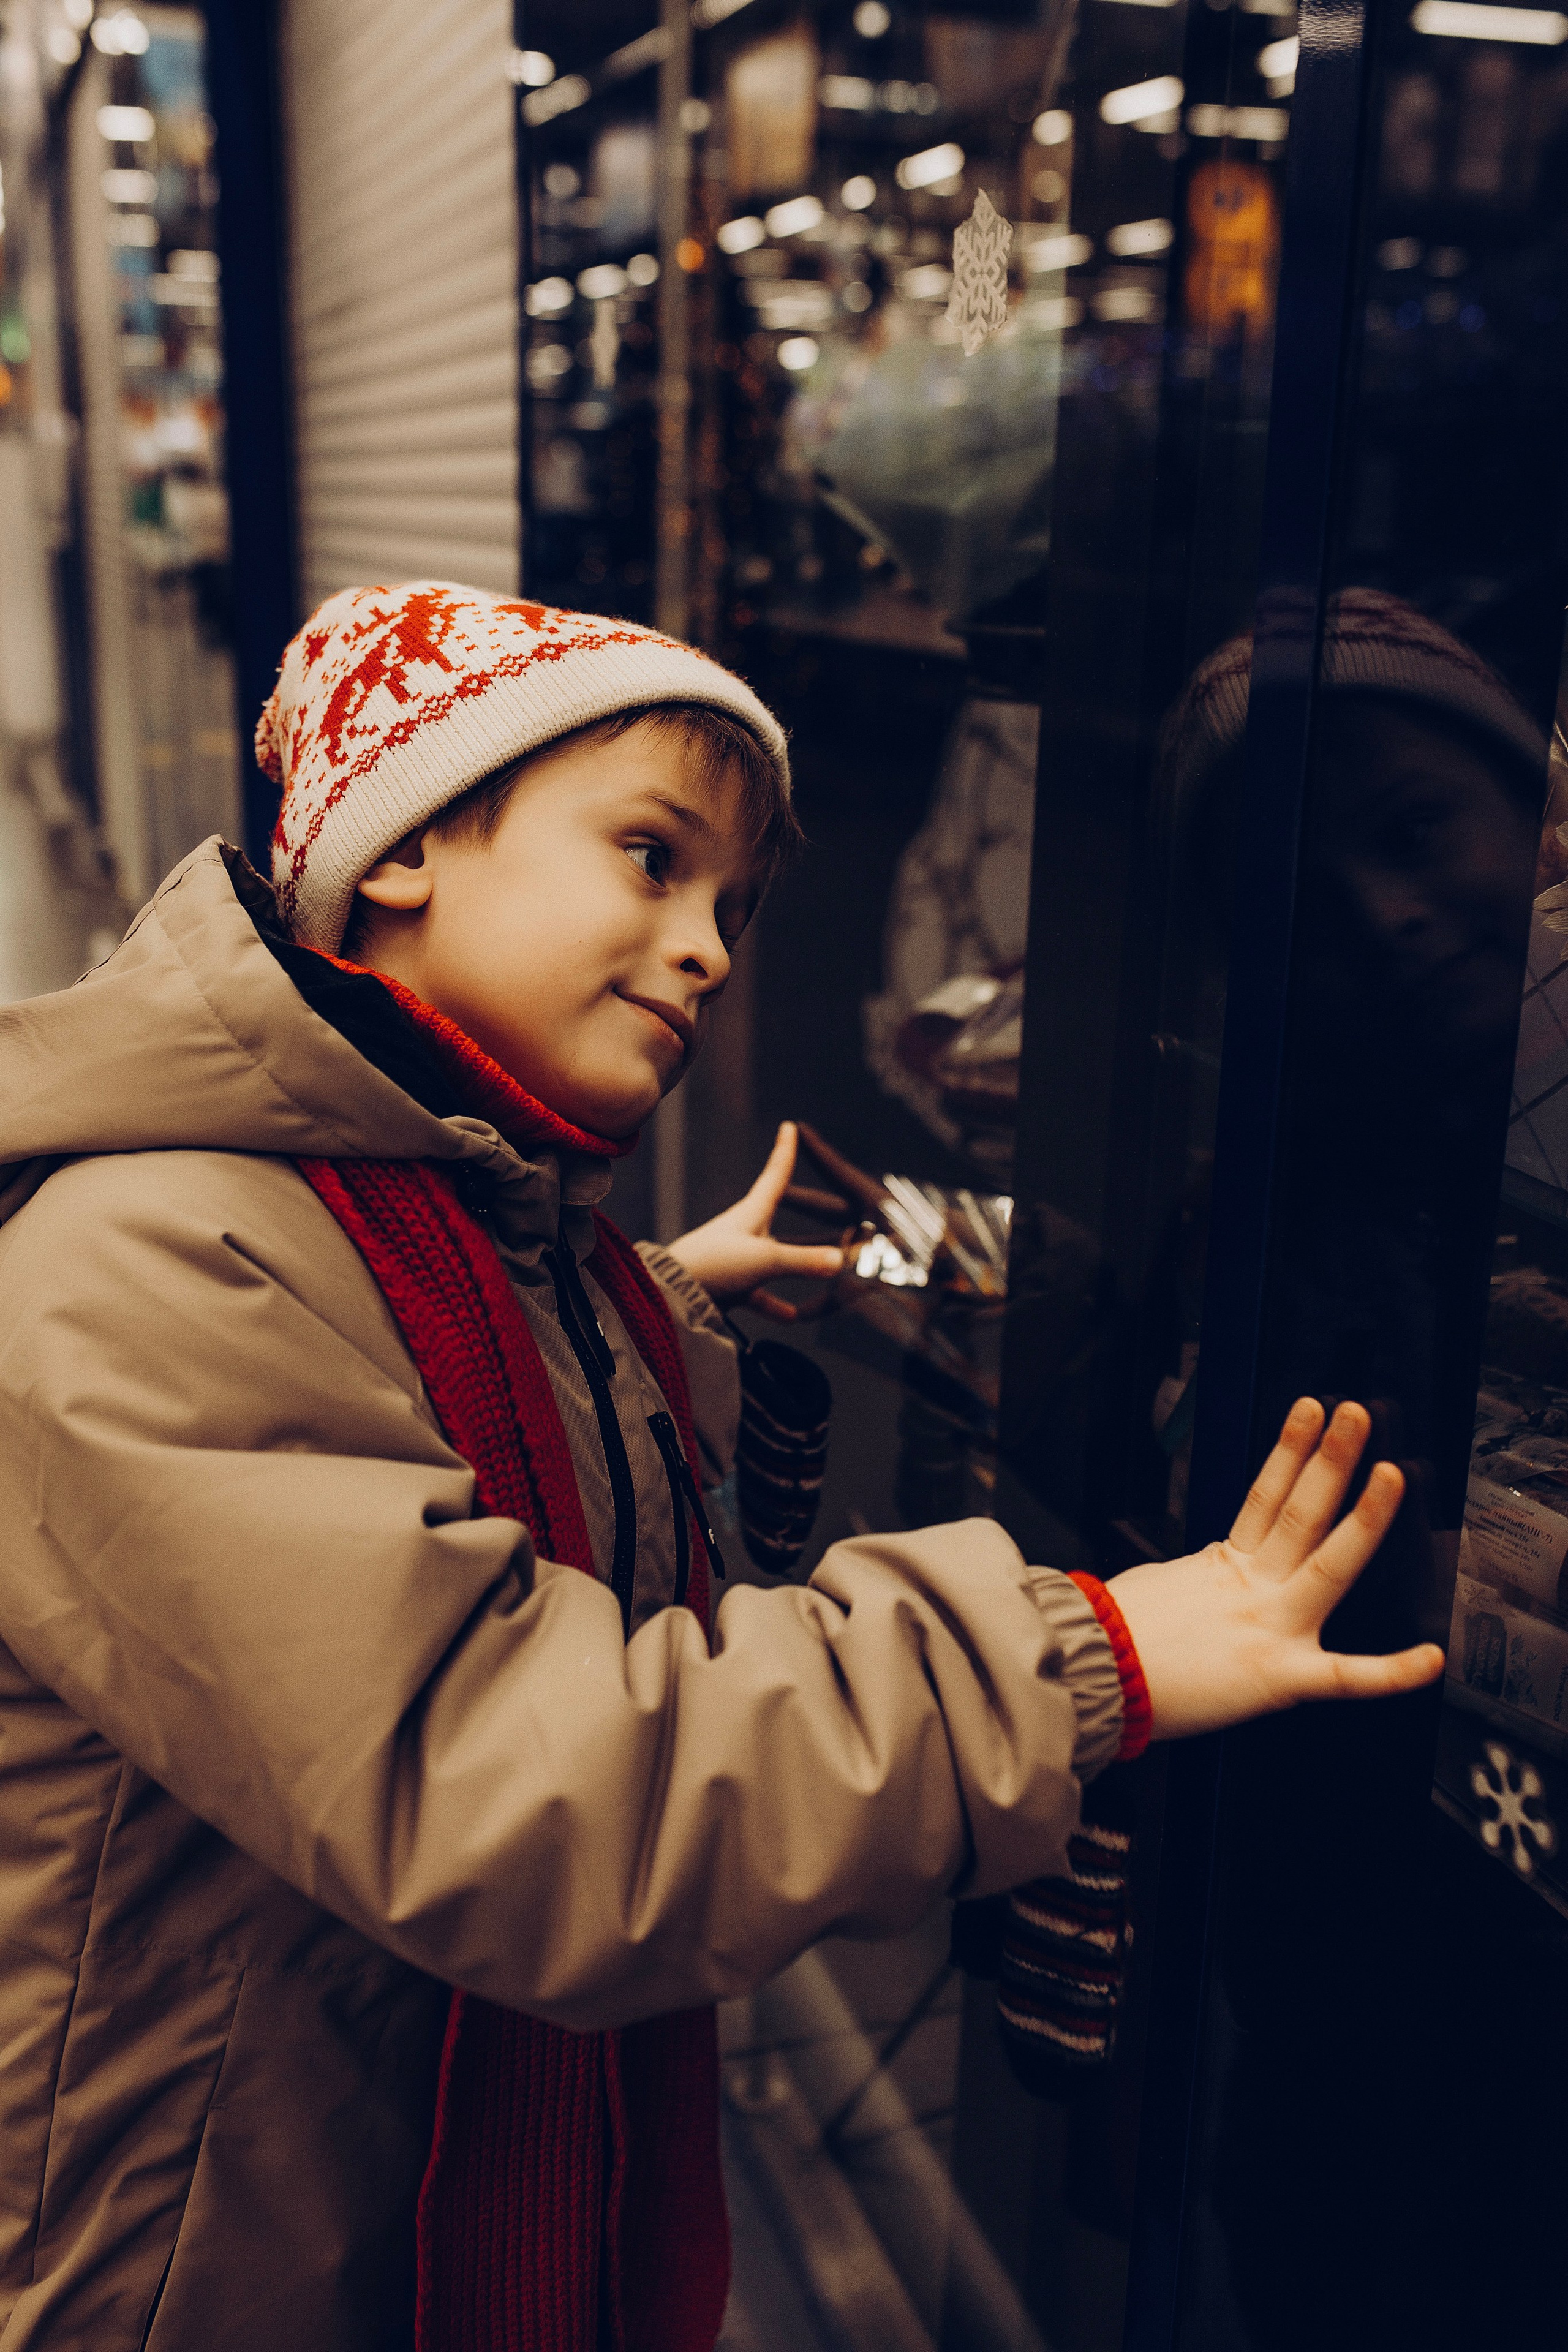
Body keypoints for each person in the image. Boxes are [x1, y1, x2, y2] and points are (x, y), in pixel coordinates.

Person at [0, 583, 1441, 2352]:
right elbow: (537, 1785)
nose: (709, 946)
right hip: (192, 2273)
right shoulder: (145, 1263)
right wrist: (1093, 1653)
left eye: (734, 908)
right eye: (650, 854)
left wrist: (660, 1301)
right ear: (401, 854)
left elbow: (379, 1450)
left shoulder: (474, 1232)